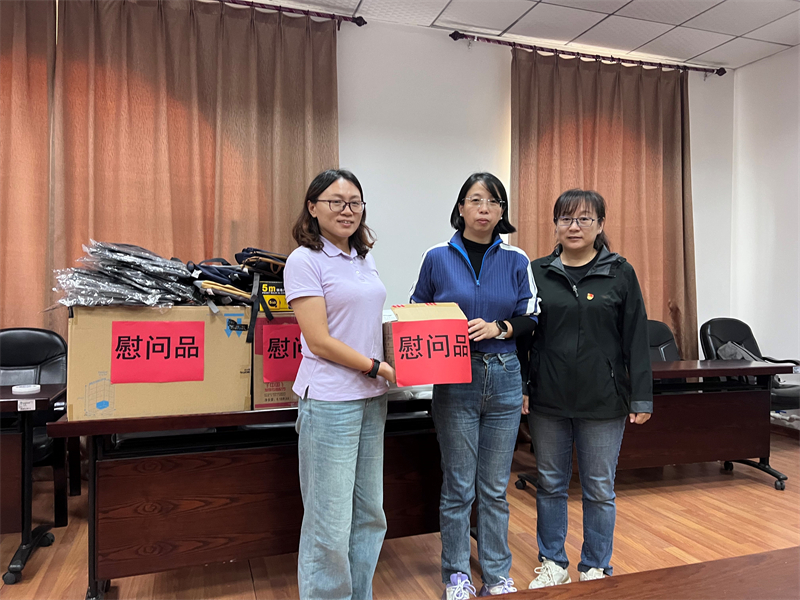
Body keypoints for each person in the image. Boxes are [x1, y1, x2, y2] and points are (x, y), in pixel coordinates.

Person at [410, 172, 540, 599]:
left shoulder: (517, 258)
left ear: (502, 211)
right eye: (476, 200)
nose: (484, 208)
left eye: (493, 201)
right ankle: (456, 575)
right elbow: (417, 309)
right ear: (461, 207)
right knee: (459, 486)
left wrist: (500, 327)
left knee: (494, 488)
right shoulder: (437, 256)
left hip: (504, 374)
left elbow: (531, 316)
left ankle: (497, 575)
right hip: (455, 378)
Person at [519, 189, 652, 589]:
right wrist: (523, 386)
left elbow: (635, 338)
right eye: (566, 219)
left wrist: (641, 396)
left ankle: (595, 565)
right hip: (548, 397)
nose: (574, 227)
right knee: (550, 484)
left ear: (600, 225)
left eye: (584, 219)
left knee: (598, 488)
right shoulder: (537, 271)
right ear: (555, 224)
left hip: (603, 400)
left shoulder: (620, 272)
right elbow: (525, 335)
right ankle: (553, 562)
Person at [284, 169, 396, 600]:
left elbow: (368, 322)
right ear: (313, 207)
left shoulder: (363, 258)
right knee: (328, 523)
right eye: (336, 201)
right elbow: (319, 341)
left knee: (369, 515)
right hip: (331, 402)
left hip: (372, 399)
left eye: (354, 202)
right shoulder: (304, 260)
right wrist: (377, 367)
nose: (347, 210)